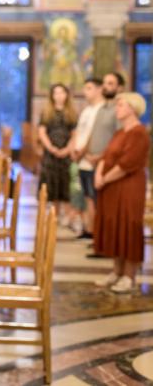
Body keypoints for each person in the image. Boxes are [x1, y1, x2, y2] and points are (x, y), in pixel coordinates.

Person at [93, 93, 150, 293]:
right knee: (114, 226)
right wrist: (99, 173)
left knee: (128, 225)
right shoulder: (119, 133)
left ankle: (129, 276)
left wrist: (105, 178)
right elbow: (106, 155)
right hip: (111, 187)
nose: (117, 108)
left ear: (132, 109)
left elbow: (127, 164)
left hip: (128, 186)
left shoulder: (139, 133)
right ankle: (116, 271)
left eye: (121, 105)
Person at [85, 72, 124, 257]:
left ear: (119, 88)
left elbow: (118, 140)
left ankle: (107, 245)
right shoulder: (101, 109)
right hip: (94, 163)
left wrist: (101, 156)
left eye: (111, 83)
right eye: (105, 83)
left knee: (105, 207)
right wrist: (89, 153)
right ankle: (98, 242)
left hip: (107, 165)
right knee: (94, 203)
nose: (106, 87)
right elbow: (93, 132)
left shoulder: (119, 111)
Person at [37, 83, 77, 224]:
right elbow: (42, 132)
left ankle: (66, 216)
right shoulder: (47, 112)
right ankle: (54, 215)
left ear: (66, 95)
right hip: (50, 152)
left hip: (66, 153)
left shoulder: (71, 113)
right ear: (52, 96)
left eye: (62, 92)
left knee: (65, 183)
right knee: (51, 183)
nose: (59, 96)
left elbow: (74, 134)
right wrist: (51, 148)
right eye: (56, 93)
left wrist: (67, 149)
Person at [72, 77, 104, 239]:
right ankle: (88, 228)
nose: (86, 92)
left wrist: (83, 151)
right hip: (81, 159)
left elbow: (93, 134)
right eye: (85, 88)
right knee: (86, 197)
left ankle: (95, 232)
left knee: (93, 197)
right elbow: (79, 132)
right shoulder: (87, 110)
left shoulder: (102, 110)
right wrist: (74, 150)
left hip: (91, 159)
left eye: (89, 88)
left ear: (100, 89)